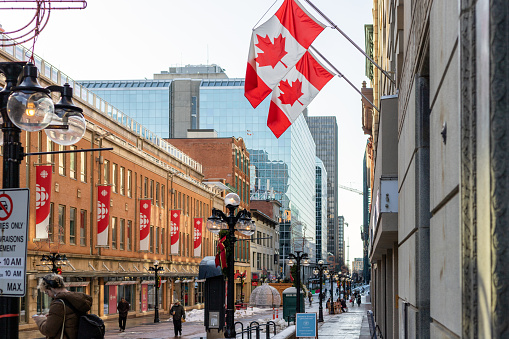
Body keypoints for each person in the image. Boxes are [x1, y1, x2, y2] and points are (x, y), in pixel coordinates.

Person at [33, 273, 93, 339]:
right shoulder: (76, 299)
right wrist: (52, 316)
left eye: (47, 292)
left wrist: (40, 320)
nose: (48, 295)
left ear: (52, 288)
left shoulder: (58, 304)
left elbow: (48, 330)